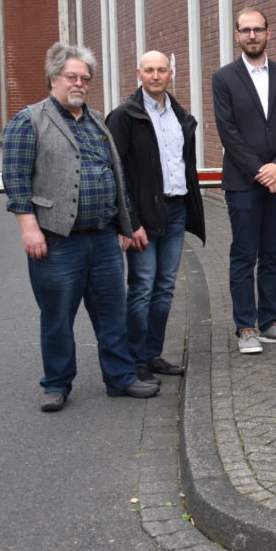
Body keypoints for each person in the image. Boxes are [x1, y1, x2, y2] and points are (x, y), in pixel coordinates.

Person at [1, 42, 160, 411]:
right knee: (57, 318)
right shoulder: (30, 120)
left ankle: (119, 379)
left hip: (103, 238)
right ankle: (56, 384)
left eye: (85, 78)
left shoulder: (97, 120)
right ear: (53, 78)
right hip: (57, 241)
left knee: (112, 314)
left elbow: (116, 176)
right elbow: (16, 179)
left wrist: (128, 224)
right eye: (72, 77)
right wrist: (29, 228)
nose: (80, 84)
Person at [212, 7, 276, 354]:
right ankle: (246, 327)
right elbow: (229, 132)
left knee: (272, 253)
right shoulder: (223, 78)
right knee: (243, 254)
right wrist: (262, 173)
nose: (252, 35)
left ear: (268, 33)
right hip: (243, 182)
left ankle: (270, 322)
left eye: (258, 30)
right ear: (236, 35)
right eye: (245, 30)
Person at [108, 50, 206, 382]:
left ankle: (153, 354)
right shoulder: (124, 116)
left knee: (165, 287)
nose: (155, 75)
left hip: (175, 210)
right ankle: (135, 359)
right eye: (149, 70)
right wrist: (128, 222)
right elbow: (116, 172)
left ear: (171, 73)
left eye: (161, 70)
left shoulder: (181, 117)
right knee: (142, 286)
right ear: (138, 73)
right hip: (142, 216)